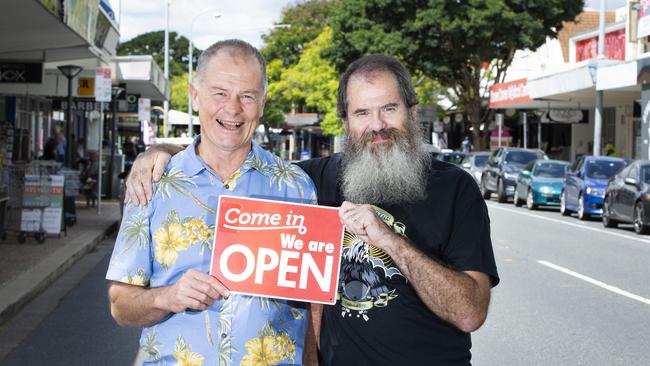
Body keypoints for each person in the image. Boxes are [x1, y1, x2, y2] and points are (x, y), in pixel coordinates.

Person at [126, 54, 499, 365]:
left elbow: (469, 313)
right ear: (346, 121)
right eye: (362, 113)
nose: (377, 126)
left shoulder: (455, 188)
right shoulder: (309, 182)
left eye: (389, 109)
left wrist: (389, 240)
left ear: (412, 111)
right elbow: (233, 156)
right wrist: (161, 153)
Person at [106, 39, 317, 365]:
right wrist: (168, 296)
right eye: (219, 93)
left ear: (262, 103)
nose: (232, 108)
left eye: (247, 96)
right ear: (195, 96)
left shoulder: (296, 187)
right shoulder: (152, 184)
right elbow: (120, 306)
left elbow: (313, 303)